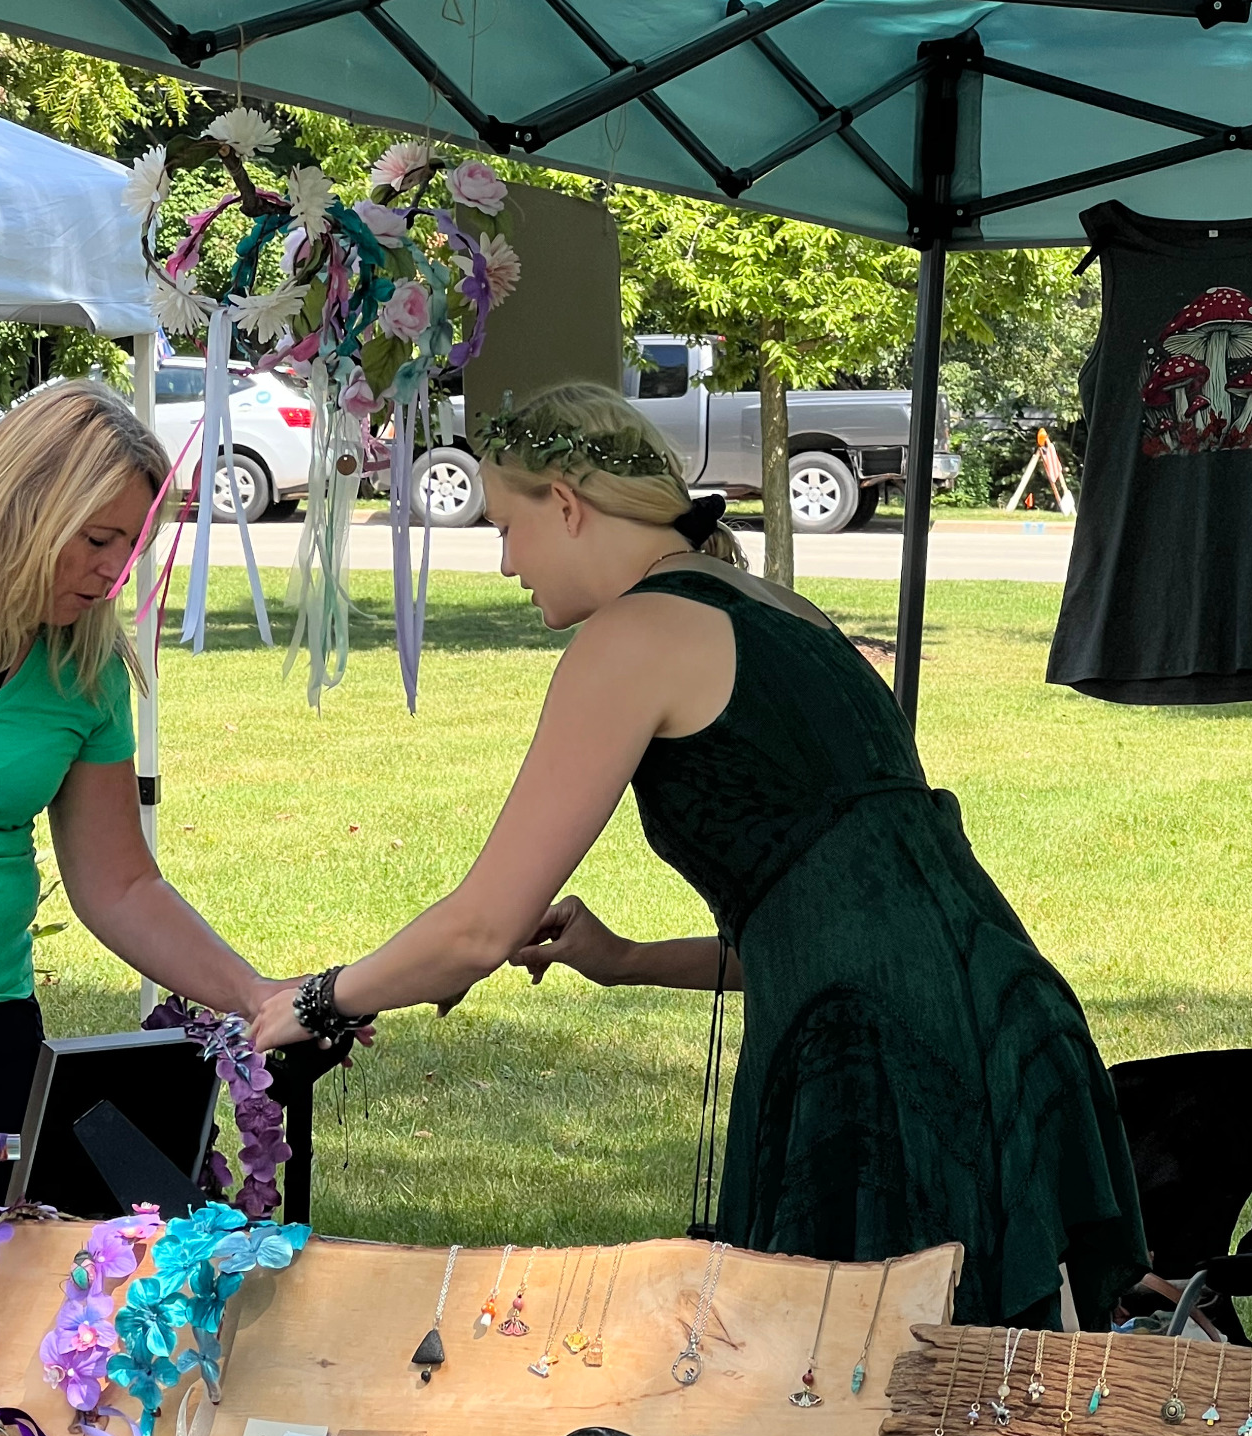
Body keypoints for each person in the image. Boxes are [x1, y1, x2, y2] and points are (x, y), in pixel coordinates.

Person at [251, 384, 1148, 1329]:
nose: (506, 559)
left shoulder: (635, 634)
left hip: (879, 1067)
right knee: (963, 1429)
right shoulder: (784, 612)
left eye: (508, 525)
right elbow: (838, 920)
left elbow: (483, 925)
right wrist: (629, 961)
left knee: (852, 1425)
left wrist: (317, 999)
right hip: (1004, 1019)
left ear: (567, 504)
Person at [0, 382, 290, 1200]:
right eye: (98, 539)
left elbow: (121, 884)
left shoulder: (83, 669)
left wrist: (254, 994)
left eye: (133, 545)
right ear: (26, 503)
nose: (116, 570)